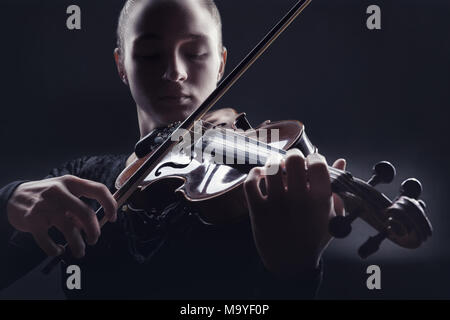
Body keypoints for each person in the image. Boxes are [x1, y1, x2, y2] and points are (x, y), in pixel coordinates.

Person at [0, 0, 346, 299]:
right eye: (150, 55)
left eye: (195, 53)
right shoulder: (82, 183)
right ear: (121, 65)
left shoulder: (263, 198)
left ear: (222, 63)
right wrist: (7, 201)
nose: (174, 72)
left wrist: (295, 275)